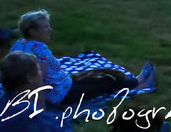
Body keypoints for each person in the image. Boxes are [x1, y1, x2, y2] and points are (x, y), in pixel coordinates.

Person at [10, 10, 156, 107]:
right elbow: (38, 81)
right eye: (45, 27)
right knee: (106, 81)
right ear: (33, 30)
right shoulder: (40, 50)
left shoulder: (19, 44)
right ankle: (139, 82)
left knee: (97, 75)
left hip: (61, 84)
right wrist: (41, 110)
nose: (50, 30)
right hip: (60, 94)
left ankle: (134, 82)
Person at [0, 52, 68, 132]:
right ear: (29, 78)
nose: (41, 74)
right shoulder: (29, 115)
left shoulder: (3, 101)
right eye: (39, 70)